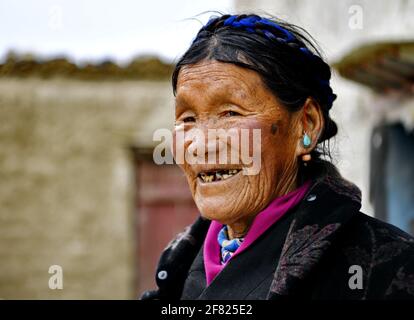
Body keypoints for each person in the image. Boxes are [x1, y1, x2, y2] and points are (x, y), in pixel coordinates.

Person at [141, 14, 414, 300]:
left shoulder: (388, 269)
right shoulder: (176, 271)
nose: (200, 143)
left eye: (230, 113)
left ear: (305, 125)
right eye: (187, 118)